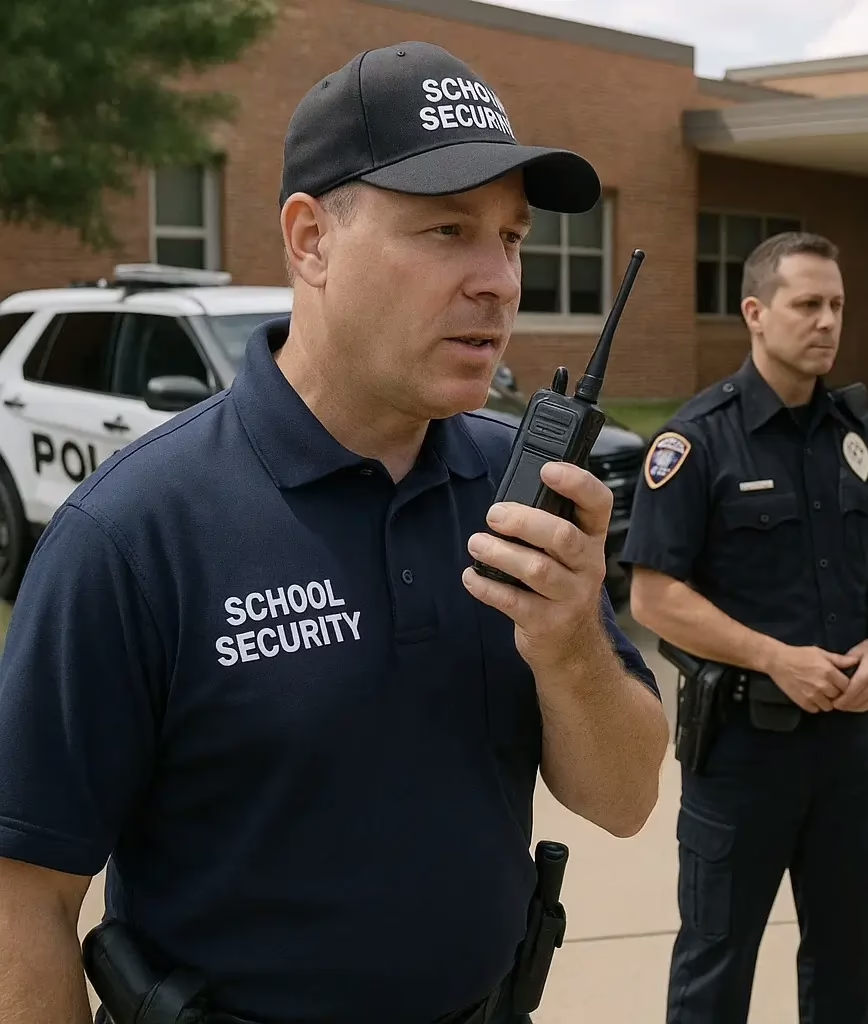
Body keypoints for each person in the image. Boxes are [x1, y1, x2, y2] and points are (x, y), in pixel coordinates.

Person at [0, 41, 669, 1024]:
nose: (498, 279)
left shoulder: (517, 490)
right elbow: (27, 896)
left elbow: (624, 799)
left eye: (513, 238)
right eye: (446, 230)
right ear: (310, 239)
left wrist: (569, 639)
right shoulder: (136, 532)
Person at [620, 231, 868, 1023]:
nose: (827, 322)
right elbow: (653, 595)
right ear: (756, 312)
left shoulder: (857, 434)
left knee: (847, 974)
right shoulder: (698, 439)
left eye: (837, 306)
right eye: (808, 304)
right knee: (715, 976)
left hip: (848, 758)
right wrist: (774, 658)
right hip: (743, 757)